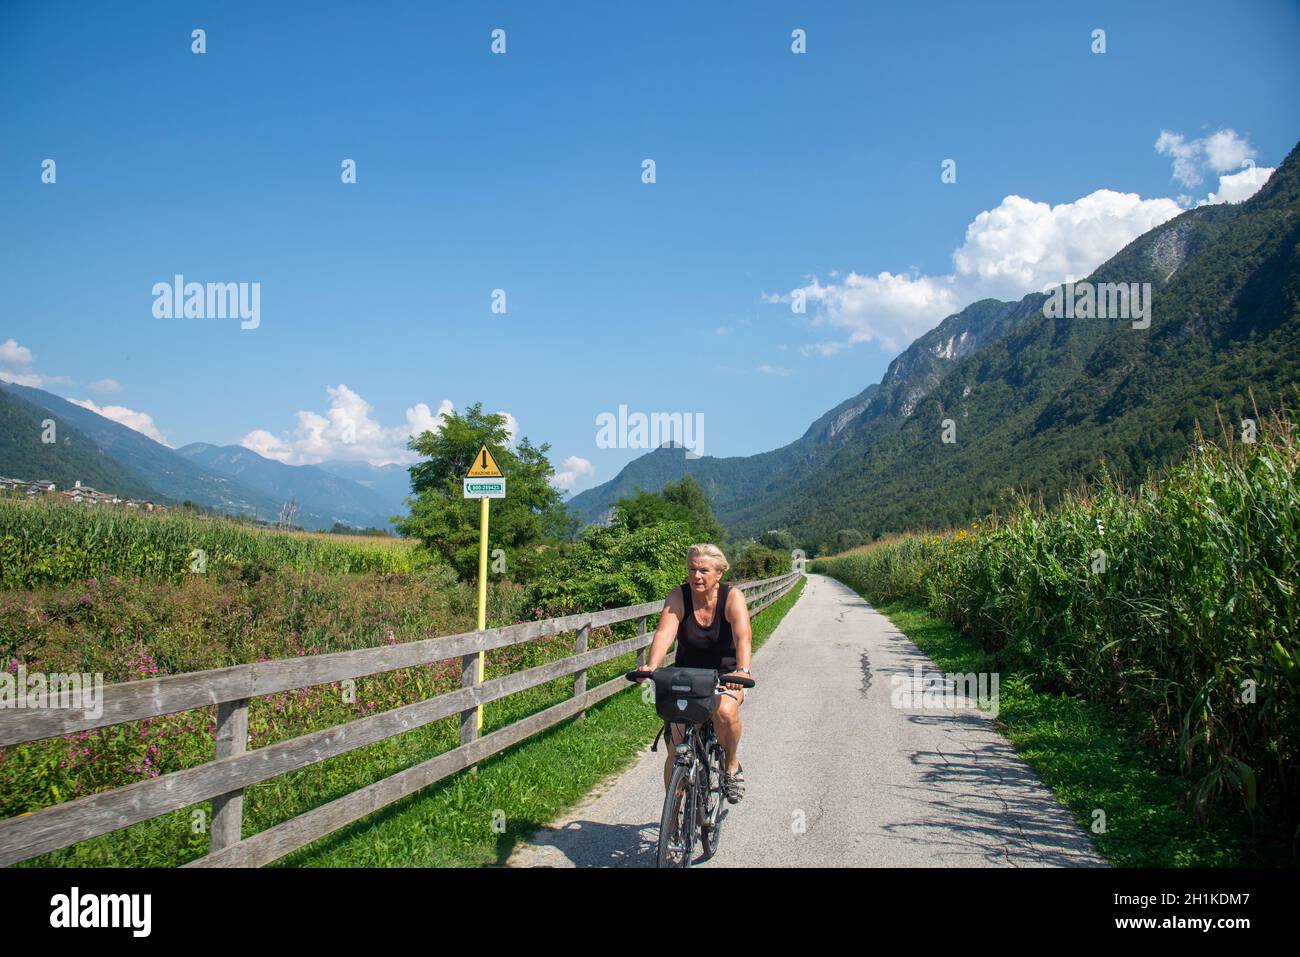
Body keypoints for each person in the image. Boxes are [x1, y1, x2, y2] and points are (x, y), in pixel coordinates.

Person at [640, 543, 753, 803]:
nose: (696, 576)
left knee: (724, 712)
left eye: (704, 570)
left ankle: (732, 766)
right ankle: (673, 819)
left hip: (725, 676)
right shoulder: (679, 596)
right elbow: (665, 632)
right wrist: (652, 665)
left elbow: (743, 636)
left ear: (719, 573)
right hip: (687, 677)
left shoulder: (732, 597)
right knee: (677, 747)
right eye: (692, 569)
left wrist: (743, 670)